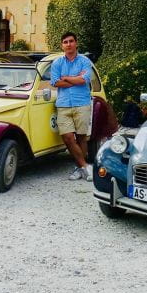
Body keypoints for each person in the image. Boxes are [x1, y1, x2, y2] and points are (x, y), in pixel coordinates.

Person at [50, 31, 93, 181]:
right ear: (62, 45)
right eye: (65, 42)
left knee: (81, 137)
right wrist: (76, 78)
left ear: (76, 43)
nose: (68, 44)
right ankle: (85, 167)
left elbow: (85, 80)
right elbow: (55, 82)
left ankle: (79, 168)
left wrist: (66, 78)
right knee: (67, 137)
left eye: (71, 41)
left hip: (82, 103)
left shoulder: (85, 61)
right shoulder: (57, 63)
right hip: (63, 104)